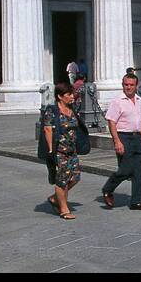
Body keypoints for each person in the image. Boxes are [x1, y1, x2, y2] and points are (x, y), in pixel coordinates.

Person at [100, 71, 141, 212]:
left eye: (131, 85)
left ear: (136, 86)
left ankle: (137, 202)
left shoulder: (139, 100)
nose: (128, 87)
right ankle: (108, 188)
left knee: (139, 172)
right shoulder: (117, 101)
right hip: (124, 137)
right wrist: (117, 141)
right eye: (126, 84)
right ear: (122, 85)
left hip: (137, 137)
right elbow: (111, 121)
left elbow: (139, 119)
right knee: (126, 169)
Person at [43, 81, 82, 219]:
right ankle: (64, 209)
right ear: (60, 96)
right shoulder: (52, 110)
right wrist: (50, 150)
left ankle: (55, 198)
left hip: (72, 149)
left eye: (72, 94)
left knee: (75, 177)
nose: (72, 96)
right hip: (59, 150)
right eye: (68, 94)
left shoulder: (72, 109)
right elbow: (48, 129)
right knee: (61, 180)